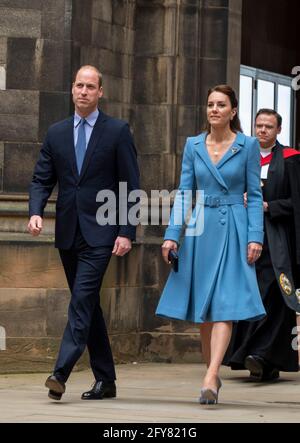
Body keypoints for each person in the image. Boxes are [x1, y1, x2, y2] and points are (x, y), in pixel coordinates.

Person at [28, 65, 139, 400]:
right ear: (71, 89)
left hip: (102, 233)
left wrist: (126, 231)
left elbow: (130, 185)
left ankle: (60, 372)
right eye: (79, 85)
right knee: (89, 305)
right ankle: (106, 380)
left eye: (91, 86)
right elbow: (41, 178)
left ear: (100, 92)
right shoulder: (57, 132)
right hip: (68, 233)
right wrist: (36, 211)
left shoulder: (117, 131)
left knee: (80, 301)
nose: (84, 91)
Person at [156, 85, 265, 404]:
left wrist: (255, 236)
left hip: (234, 226)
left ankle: (209, 375)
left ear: (233, 111)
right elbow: (184, 192)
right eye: (210, 105)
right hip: (199, 230)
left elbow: (255, 196)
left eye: (221, 105)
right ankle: (213, 374)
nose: (214, 109)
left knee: (224, 306)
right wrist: (171, 234)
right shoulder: (192, 146)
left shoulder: (248, 146)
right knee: (204, 311)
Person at [224, 109, 300, 380]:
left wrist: (269, 206)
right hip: (245, 236)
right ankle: (254, 357)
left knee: (273, 296)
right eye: (259, 125)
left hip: (277, 240)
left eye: (269, 126)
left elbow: (297, 203)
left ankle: (264, 355)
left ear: (279, 130)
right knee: (249, 293)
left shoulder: (291, 159)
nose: (263, 130)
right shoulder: (242, 156)